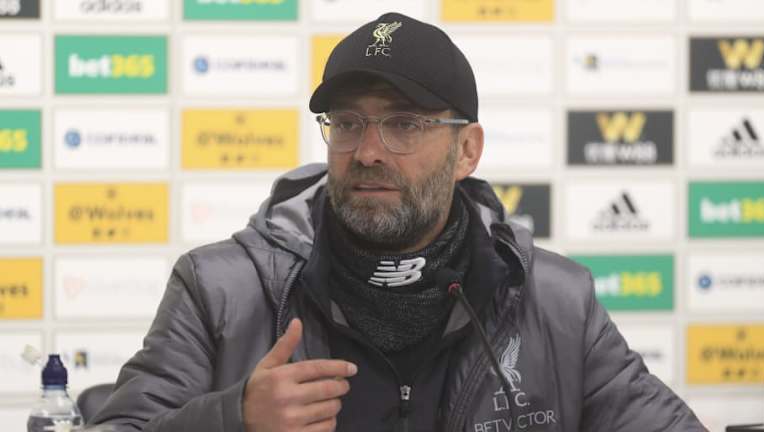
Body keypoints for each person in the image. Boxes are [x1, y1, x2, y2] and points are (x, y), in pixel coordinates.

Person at [91, 12, 706, 432]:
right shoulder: (221, 289)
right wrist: (234, 418)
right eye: (348, 123)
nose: (367, 152)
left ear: (467, 151)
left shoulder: (554, 302)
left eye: (404, 124)